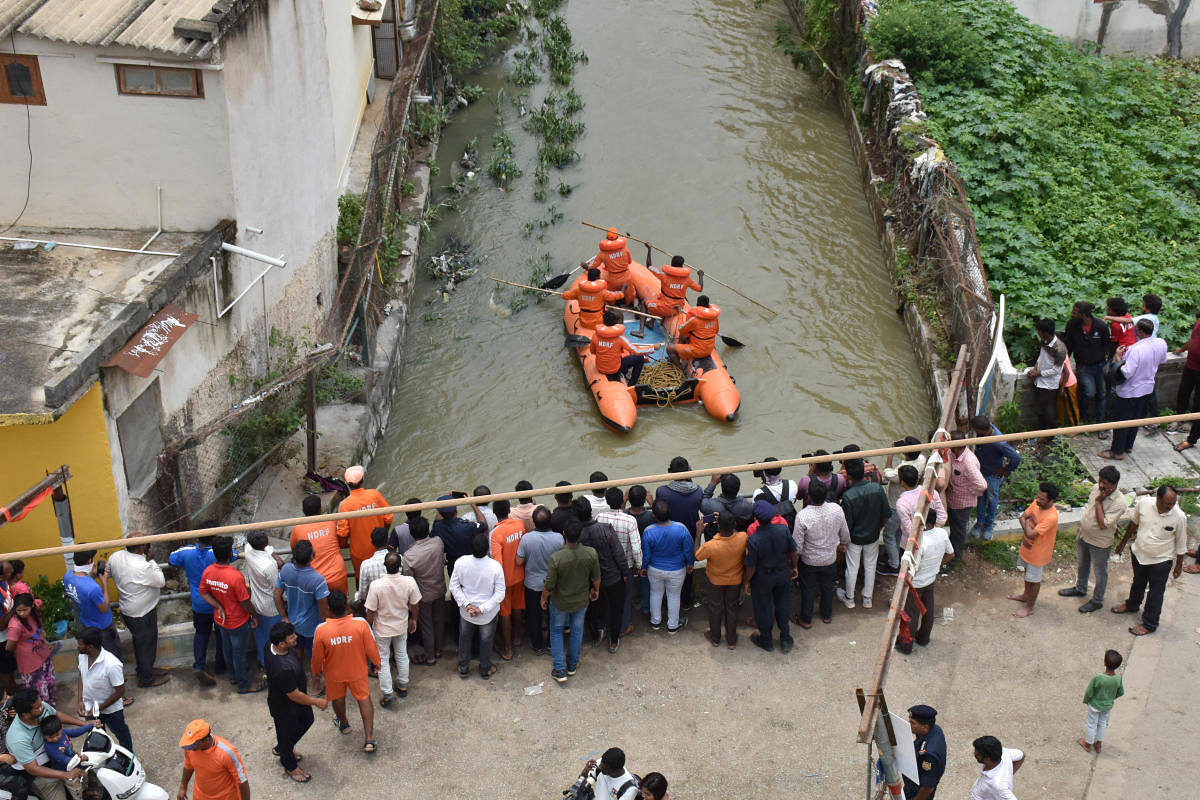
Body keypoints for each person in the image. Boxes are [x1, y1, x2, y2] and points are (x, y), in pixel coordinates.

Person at [1112, 484, 1187, 635]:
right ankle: (1132, 604)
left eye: (1173, 504)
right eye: (1167, 505)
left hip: (1161, 561)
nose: (1170, 508)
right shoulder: (1144, 504)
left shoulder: (1179, 517)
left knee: (1156, 593)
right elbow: (1134, 523)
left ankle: (1150, 624)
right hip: (1139, 554)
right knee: (1138, 582)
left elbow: (1181, 544)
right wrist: (1122, 543)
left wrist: (1178, 566)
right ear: (1157, 499)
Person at [311, 590, 379, 750]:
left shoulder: (321, 630)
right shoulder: (361, 624)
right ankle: (369, 739)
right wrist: (377, 664)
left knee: (338, 698)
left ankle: (344, 724)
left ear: (329, 609)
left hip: (334, 673)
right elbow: (371, 647)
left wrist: (315, 672)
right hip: (357, 671)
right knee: (364, 699)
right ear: (347, 606)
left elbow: (316, 657)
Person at [263, 622, 327, 783]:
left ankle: (283, 747)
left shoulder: (270, 645)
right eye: (291, 637)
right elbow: (294, 695)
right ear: (281, 644)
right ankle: (289, 764)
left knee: (306, 720)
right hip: (284, 706)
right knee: (287, 731)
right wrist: (316, 701)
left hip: (295, 703)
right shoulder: (282, 669)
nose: (296, 638)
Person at [6, 689, 97, 800]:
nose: (43, 707)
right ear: (25, 714)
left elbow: (56, 714)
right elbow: (33, 768)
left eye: (41, 703)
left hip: (57, 755)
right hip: (38, 771)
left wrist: (84, 723)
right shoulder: (17, 738)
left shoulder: (40, 707)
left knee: (85, 773)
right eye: (38, 707)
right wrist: (65, 775)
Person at [198, 537, 262, 694]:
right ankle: (244, 685)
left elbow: (203, 592)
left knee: (227, 650)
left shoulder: (208, 572)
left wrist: (217, 605)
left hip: (220, 620)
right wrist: (254, 615)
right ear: (229, 555)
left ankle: (233, 676)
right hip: (238, 622)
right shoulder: (235, 577)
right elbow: (245, 601)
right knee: (239, 655)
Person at [1058, 467, 1126, 612]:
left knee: (1100, 571)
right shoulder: (1096, 488)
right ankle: (1080, 588)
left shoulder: (1119, 502)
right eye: (1100, 480)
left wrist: (1099, 501)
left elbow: (1103, 524)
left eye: (1105, 483)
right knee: (1083, 564)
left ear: (1114, 485)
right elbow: (1089, 508)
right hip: (1084, 535)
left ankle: (1097, 600)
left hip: (1100, 543)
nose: (1101, 485)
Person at [107, 532, 168, 689]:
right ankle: (146, 679)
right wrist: (151, 559)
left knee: (145, 642)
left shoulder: (116, 556)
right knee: (145, 645)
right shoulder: (144, 565)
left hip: (130, 609)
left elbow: (107, 571)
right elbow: (161, 581)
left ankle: (146, 669)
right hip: (142, 612)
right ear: (143, 547)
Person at [1101, 318, 1168, 460]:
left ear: (1140, 332)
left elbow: (1126, 372)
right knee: (1136, 419)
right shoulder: (1161, 343)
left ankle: (1117, 451)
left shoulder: (1135, 349)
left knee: (1122, 422)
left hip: (1129, 391)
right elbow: (1162, 361)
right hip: (1147, 388)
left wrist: (1118, 358)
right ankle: (1128, 445)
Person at [543, 519, 600, 683]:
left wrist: (543, 598)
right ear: (580, 536)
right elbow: (596, 577)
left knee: (556, 631)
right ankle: (572, 665)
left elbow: (549, 584)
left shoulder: (556, 558)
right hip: (581, 601)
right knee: (577, 631)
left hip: (560, 602)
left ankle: (559, 669)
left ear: (564, 535)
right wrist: (596, 590)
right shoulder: (591, 553)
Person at [168, 526, 226, 686]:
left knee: (201, 634)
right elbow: (231, 555)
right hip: (219, 603)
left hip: (200, 602)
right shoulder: (217, 553)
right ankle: (221, 666)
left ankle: (199, 666)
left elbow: (171, 559)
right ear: (214, 538)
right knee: (221, 634)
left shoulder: (186, 552)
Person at [895, 509, 953, 654]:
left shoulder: (919, 542)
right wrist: (937, 564)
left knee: (911, 615)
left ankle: (906, 646)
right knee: (928, 611)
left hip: (916, 584)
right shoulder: (942, 533)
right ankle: (923, 638)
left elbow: (913, 568)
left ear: (926, 523)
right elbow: (951, 554)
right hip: (931, 579)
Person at [364, 553, 420, 705]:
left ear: (385, 566)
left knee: (382, 660)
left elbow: (370, 611)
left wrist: (368, 627)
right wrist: (413, 619)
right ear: (400, 566)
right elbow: (414, 604)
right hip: (401, 626)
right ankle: (402, 685)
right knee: (402, 655)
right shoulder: (409, 582)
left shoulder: (376, 585)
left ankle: (388, 693)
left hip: (382, 629)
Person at [792, 480, 849, 628]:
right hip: (830, 558)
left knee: (808, 590)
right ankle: (826, 615)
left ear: (809, 496)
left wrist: (794, 565)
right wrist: (842, 544)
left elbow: (797, 547)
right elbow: (845, 534)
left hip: (809, 560)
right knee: (827, 588)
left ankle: (806, 619)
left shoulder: (802, 516)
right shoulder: (836, 509)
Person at [575, 499, 629, 652]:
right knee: (616, 608)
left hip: (590, 579)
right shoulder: (606, 529)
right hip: (612, 576)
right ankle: (613, 641)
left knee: (594, 608)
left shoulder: (577, 535)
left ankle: (598, 632)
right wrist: (625, 572)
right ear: (590, 510)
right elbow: (619, 555)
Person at [449, 534, 505, 680]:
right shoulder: (495, 567)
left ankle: (463, 667)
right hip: (487, 614)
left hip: (467, 612)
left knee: (465, 638)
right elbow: (500, 594)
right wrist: (482, 609)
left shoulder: (461, 562)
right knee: (486, 641)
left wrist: (467, 605)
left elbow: (453, 587)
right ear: (487, 550)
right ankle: (485, 669)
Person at [838, 459, 892, 610]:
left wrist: (843, 542)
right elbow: (887, 513)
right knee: (870, 565)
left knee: (852, 567)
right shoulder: (877, 488)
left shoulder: (848, 496)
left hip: (854, 538)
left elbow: (846, 525)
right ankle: (867, 598)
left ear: (848, 476)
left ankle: (849, 599)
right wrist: (879, 527)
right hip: (873, 535)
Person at [744, 501, 797, 652]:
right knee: (783, 605)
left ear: (756, 518)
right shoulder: (783, 530)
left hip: (763, 578)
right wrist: (794, 566)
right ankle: (785, 638)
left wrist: (747, 581)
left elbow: (751, 565)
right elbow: (794, 551)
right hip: (782, 574)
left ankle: (766, 640)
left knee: (764, 608)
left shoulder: (754, 540)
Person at [272, 540, 331, 673]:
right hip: (312, 627)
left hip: (293, 622)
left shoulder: (286, 570)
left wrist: (284, 617)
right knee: (315, 655)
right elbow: (324, 608)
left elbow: (276, 596)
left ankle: (298, 674)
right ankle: (317, 678)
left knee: (297, 649)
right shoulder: (318, 580)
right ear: (312, 557)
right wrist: (326, 625)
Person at [640, 500, 695, 633]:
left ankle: (655, 622)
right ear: (670, 512)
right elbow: (688, 549)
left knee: (655, 593)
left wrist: (643, 567)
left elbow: (646, 554)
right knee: (674, 596)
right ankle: (672, 625)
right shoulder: (681, 528)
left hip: (655, 569)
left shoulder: (649, 531)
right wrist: (690, 563)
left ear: (654, 515)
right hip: (677, 570)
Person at [655, 457, 703, 609]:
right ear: (689, 471)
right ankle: (687, 601)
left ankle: (667, 600)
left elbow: (659, 511)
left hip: (670, 535)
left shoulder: (662, 491)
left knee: (669, 565)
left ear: (670, 473)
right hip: (690, 535)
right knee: (689, 568)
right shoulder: (698, 491)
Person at [1006, 482, 1060, 619]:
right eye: (1038, 496)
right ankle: (1025, 595)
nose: (1037, 500)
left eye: (1042, 499)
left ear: (1051, 500)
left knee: (1034, 580)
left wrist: (1027, 529)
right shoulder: (1037, 503)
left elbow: (1028, 528)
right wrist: (1028, 529)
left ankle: (1029, 607)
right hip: (1026, 548)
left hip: (1038, 554)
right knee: (1026, 573)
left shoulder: (1051, 516)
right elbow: (1022, 517)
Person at [515, 506, 563, 656]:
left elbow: (518, 561)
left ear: (534, 522)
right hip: (553, 584)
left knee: (533, 616)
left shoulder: (527, 538)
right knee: (554, 616)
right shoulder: (559, 538)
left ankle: (537, 646)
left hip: (533, 585)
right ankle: (550, 644)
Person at [696, 511, 748, 649]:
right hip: (735, 580)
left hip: (715, 581)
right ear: (734, 525)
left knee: (715, 609)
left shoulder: (711, 545)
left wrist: (698, 532)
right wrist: (728, 521)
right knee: (732, 608)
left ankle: (715, 638)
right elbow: (735, 532)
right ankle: (731, 640)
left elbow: (696, 556)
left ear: (718, 526)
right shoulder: (743, 537)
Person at [74, 627, 132, 750]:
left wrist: (99, 709)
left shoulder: (112, 664)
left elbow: (120, 691)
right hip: (90, 707)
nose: (77, 646)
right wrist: (80, 700)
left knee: (121, 734)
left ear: (90, 646)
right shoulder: (82, 656)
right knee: (97, 737)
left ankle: (129, 757)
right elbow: (81, 675)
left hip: (111, 710)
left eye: (80, 644)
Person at [61, 551, 122, 667]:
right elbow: (104, 608)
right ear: (89, 561)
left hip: (87, 622)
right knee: (113, 654)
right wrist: (104, 583)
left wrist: (92, 576)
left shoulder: (67, 576)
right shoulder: (93, 588)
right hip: (103, 626)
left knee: (97, 654)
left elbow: (83, 590)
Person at [596, 487, 642, 637]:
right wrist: (639, 565)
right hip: (625, 566)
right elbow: (636, 548)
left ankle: (608, 624)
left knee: (607, 597)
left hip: (605, 565)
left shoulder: (600, 518)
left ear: (607, 502)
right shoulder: (630, 520)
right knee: (625, 598)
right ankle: (623, 627)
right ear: (623, 500)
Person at [400, 517, 446, 666]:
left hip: (423, 595)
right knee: (439, 620)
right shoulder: (438, 542)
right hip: (440, 589)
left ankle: (430, 656)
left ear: (412, 534)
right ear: (428, 530)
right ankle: (438, 650)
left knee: (426, 626)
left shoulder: (409, 556)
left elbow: (408, 579)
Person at [969, 415, 1021, 542]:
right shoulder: (986, 431)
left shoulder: (999, 442)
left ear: (980, 430)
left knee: (992, 500)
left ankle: (989, 525)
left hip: (993, 475)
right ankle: (980, 522)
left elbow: (1016, 458)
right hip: (982, 472)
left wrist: (1005, 469)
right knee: (981, 498)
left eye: (975, 430)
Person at [336, 466, 393, 580]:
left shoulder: (345, 505)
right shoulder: (375, 495)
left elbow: (342, 533)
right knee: (386, 577)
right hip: (380, 548)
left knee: (361, 580)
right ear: (363, 480)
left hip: (359, 554)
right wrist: (383, 534)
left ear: (347, 484)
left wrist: (342, 545)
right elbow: (389, 517)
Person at [489, 500, 526, 661]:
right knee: (518, 607)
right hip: (520, 575)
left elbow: (497, 563)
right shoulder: (520, 525)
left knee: (505, 613)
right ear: (509, 510)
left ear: (495, 514)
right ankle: (517, 638)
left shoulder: (496, 533)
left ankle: (508, 649)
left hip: (504, 580)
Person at [1063, 301, 1110, 427]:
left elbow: (1106, 344)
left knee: (1102, 394)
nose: (1072, 313)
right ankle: (1083, 416)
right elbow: (1068, 344)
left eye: (1075, 312)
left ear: (1083, 314)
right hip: (1083, 366)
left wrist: (1101, 356)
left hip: (1100, 365)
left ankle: (1101, 422)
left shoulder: (1101, 326)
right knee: (1089, 393)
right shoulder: (1072, 325)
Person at [291, 494, 349, 596]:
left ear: (303, 511)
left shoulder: (297, 528)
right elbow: (341, 538)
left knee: (321, 610)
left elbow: (295, 550)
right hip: (337, 574)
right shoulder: (331, 520)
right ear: (320, 509)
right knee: (343, 607)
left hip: (314, 580)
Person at [177, 719, 250, 800]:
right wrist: (183, 786)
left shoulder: (227, 753)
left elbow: (242, 780)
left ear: (205, 740)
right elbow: (188, 765)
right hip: (200, 796)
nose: (189, 747)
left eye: (193, 744)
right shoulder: (190, 747)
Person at [945, 432, 986, 567]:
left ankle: (954, 559)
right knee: (955, 528)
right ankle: (950, 553)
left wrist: (966, 491)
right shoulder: (954, 454)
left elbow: (982, 485)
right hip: (953, 500)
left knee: (959, 532)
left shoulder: (968, 462)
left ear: (955, 446)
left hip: (962, 503)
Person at [243, 531, 283, 667]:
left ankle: (263, 661)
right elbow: (277, 588)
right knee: (275, 638)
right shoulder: (268, 565)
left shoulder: (247, 549)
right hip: (271, 607)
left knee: (262, 638)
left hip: (256, 602)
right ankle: (275, 664)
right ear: (265, 543)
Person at [6, 595, 54, 703]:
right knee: (38, 690)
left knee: (49, 682)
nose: (22, 613)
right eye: (18, 610)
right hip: (29, 662)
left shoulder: (35, 610)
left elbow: (38, 602)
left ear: (31, 606)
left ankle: (51, 707)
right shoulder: (15, 626)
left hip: (42, 653)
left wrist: (45, 641)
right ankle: (43, 713)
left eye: (25, 610)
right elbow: (9, 646)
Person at [432, 495, 488, 583]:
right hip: (471, 565)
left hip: (453, 567)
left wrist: (443, 504)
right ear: (456, 512)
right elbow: (483, 524)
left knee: (456, 588)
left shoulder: (437, 529)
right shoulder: (467, 527)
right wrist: (473, 504)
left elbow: (437, 519)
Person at [641, 255, 702, 334]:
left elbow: (649, 266)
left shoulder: (663, 275)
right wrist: (700, 276)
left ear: (672, 264)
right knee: (660, 298)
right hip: (677, 309)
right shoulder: (687, 279)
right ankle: (651, 322)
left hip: (666, 307)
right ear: (682, 266)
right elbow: (699, 288)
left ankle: (641, 330)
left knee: (644, 303)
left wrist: (649, 250)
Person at [1079, 648, 1124, 754]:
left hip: (1095, 705)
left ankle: (1087, 744)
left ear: (1104, 662)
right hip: (1107, 706)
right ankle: (1098, 744)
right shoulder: (1118, 679)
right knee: (1102, 723)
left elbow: (1089, 692)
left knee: (1091, 724)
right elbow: (1121, 692)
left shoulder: (1098, 677)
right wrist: (1111, 698)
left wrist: (1086, 700)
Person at [1026, 318, 1067, 430]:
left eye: (1039, 331)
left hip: (1049, 384)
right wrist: (1035, 369)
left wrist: (1038, 373)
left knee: (1047, 412)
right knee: (1040, 410)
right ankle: (1043, 433)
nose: (1037, 333)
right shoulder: (1045, 342)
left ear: (1045, 332)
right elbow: (1041, 357)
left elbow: (1056, 370)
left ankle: (1051, 435)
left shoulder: (1059, 348)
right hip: (1039, 381)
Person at [590, 312, 650, 385]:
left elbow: (592, 352)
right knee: (640, 358)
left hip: (600, 368)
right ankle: (632, 383)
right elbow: (636, 350)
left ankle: (624, 373)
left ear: (603, 321)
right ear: (615, 323)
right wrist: (653, 347)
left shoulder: (595, 336)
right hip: (614, 369)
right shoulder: (620, 338)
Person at [39, 717, 90, 800]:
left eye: (57, 735)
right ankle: (79, 797)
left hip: (75, 762)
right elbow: (65, 760)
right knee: (75, 787)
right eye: (51, 737)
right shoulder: (50, 747)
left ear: (61, 728)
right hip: (65, 771)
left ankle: (85, 792)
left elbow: (76, 732)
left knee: (84, 777)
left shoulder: (63, 732)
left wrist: (90, 726)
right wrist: (80, 759)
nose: (55, 738)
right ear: (44, 736)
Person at [1172, 301, 1200, 452]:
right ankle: (1180, 418)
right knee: (1183, 392)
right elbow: (1194, 338)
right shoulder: (1199, 320)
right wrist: (1182, 348)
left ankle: (1191, 439)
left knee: (1198, 403)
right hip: (1190, 365)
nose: (1197, 307)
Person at [903, 704, 946, 800]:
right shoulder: (934, 729)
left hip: (917, 793)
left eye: (912, 723)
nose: (908, 724)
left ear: (925, 727)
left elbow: (928, 787)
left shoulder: (929, 756)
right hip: (912, 783)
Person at [667, 296, 720, 372]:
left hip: (697, 350)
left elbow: (681, 328)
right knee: (688, 335)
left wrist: (680, 314)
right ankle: (683, 357)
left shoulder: (695, 320)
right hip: (709, 349)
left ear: (697, 305)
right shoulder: (715, 319)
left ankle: (680, 369)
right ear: (708, 306)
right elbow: (716, 331)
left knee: (669, 348)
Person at [584, 227, 636, 305]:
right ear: (617, 237)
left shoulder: (603, 253)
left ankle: (612, 306)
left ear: (606, 238)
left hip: (613, 279)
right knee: (631, 296)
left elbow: (595, 265)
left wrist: (586, 267)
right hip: (626, 277)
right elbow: (630, 261)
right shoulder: (625, 249)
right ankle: (632, 304)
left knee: (610, 298)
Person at [969, 735, 1024, 800]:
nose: (974, 754)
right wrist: (1009, 775)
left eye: (978, 755)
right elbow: (1022, 755)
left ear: (988, 759)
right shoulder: (1004, 753)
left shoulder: (998, 786)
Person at [353, 527, 390, 607]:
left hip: (375, 608)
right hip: (398, 606)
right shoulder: (400, 558)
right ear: (388, 540)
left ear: (372, 543)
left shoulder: (365, 565)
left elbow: (362, 594)